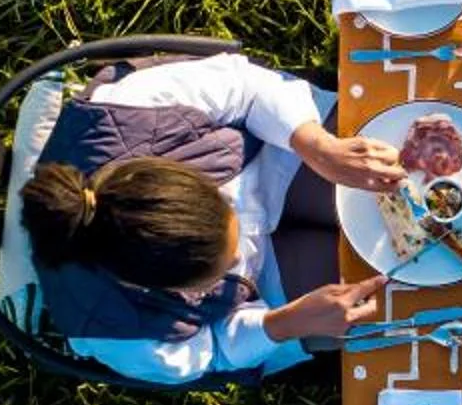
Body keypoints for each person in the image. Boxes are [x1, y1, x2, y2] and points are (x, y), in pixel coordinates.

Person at [20, 52, 401, 385]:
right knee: (401, 291)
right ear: (157, 286)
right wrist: (287, 323)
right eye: (225, 264)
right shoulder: (123, 335)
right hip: (266, 290)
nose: (237, 257)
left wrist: (320, 149)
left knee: (402, 177)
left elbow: (246, 87)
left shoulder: (129, 110)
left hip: (274, 155)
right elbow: (213, 351)